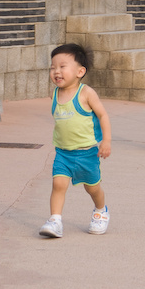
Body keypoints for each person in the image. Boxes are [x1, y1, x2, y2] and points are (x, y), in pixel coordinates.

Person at [39, 43, 112, 238]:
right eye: (53, 67)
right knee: (58, 185)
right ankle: (55, 220)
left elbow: (103, 116)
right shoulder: (55, 93)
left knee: (93, 188)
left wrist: (106, 141)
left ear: (80, 71)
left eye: (63, 67)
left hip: (87, 153)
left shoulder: (86, 93)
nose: (56, 71)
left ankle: (101, 210)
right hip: (63, 153)